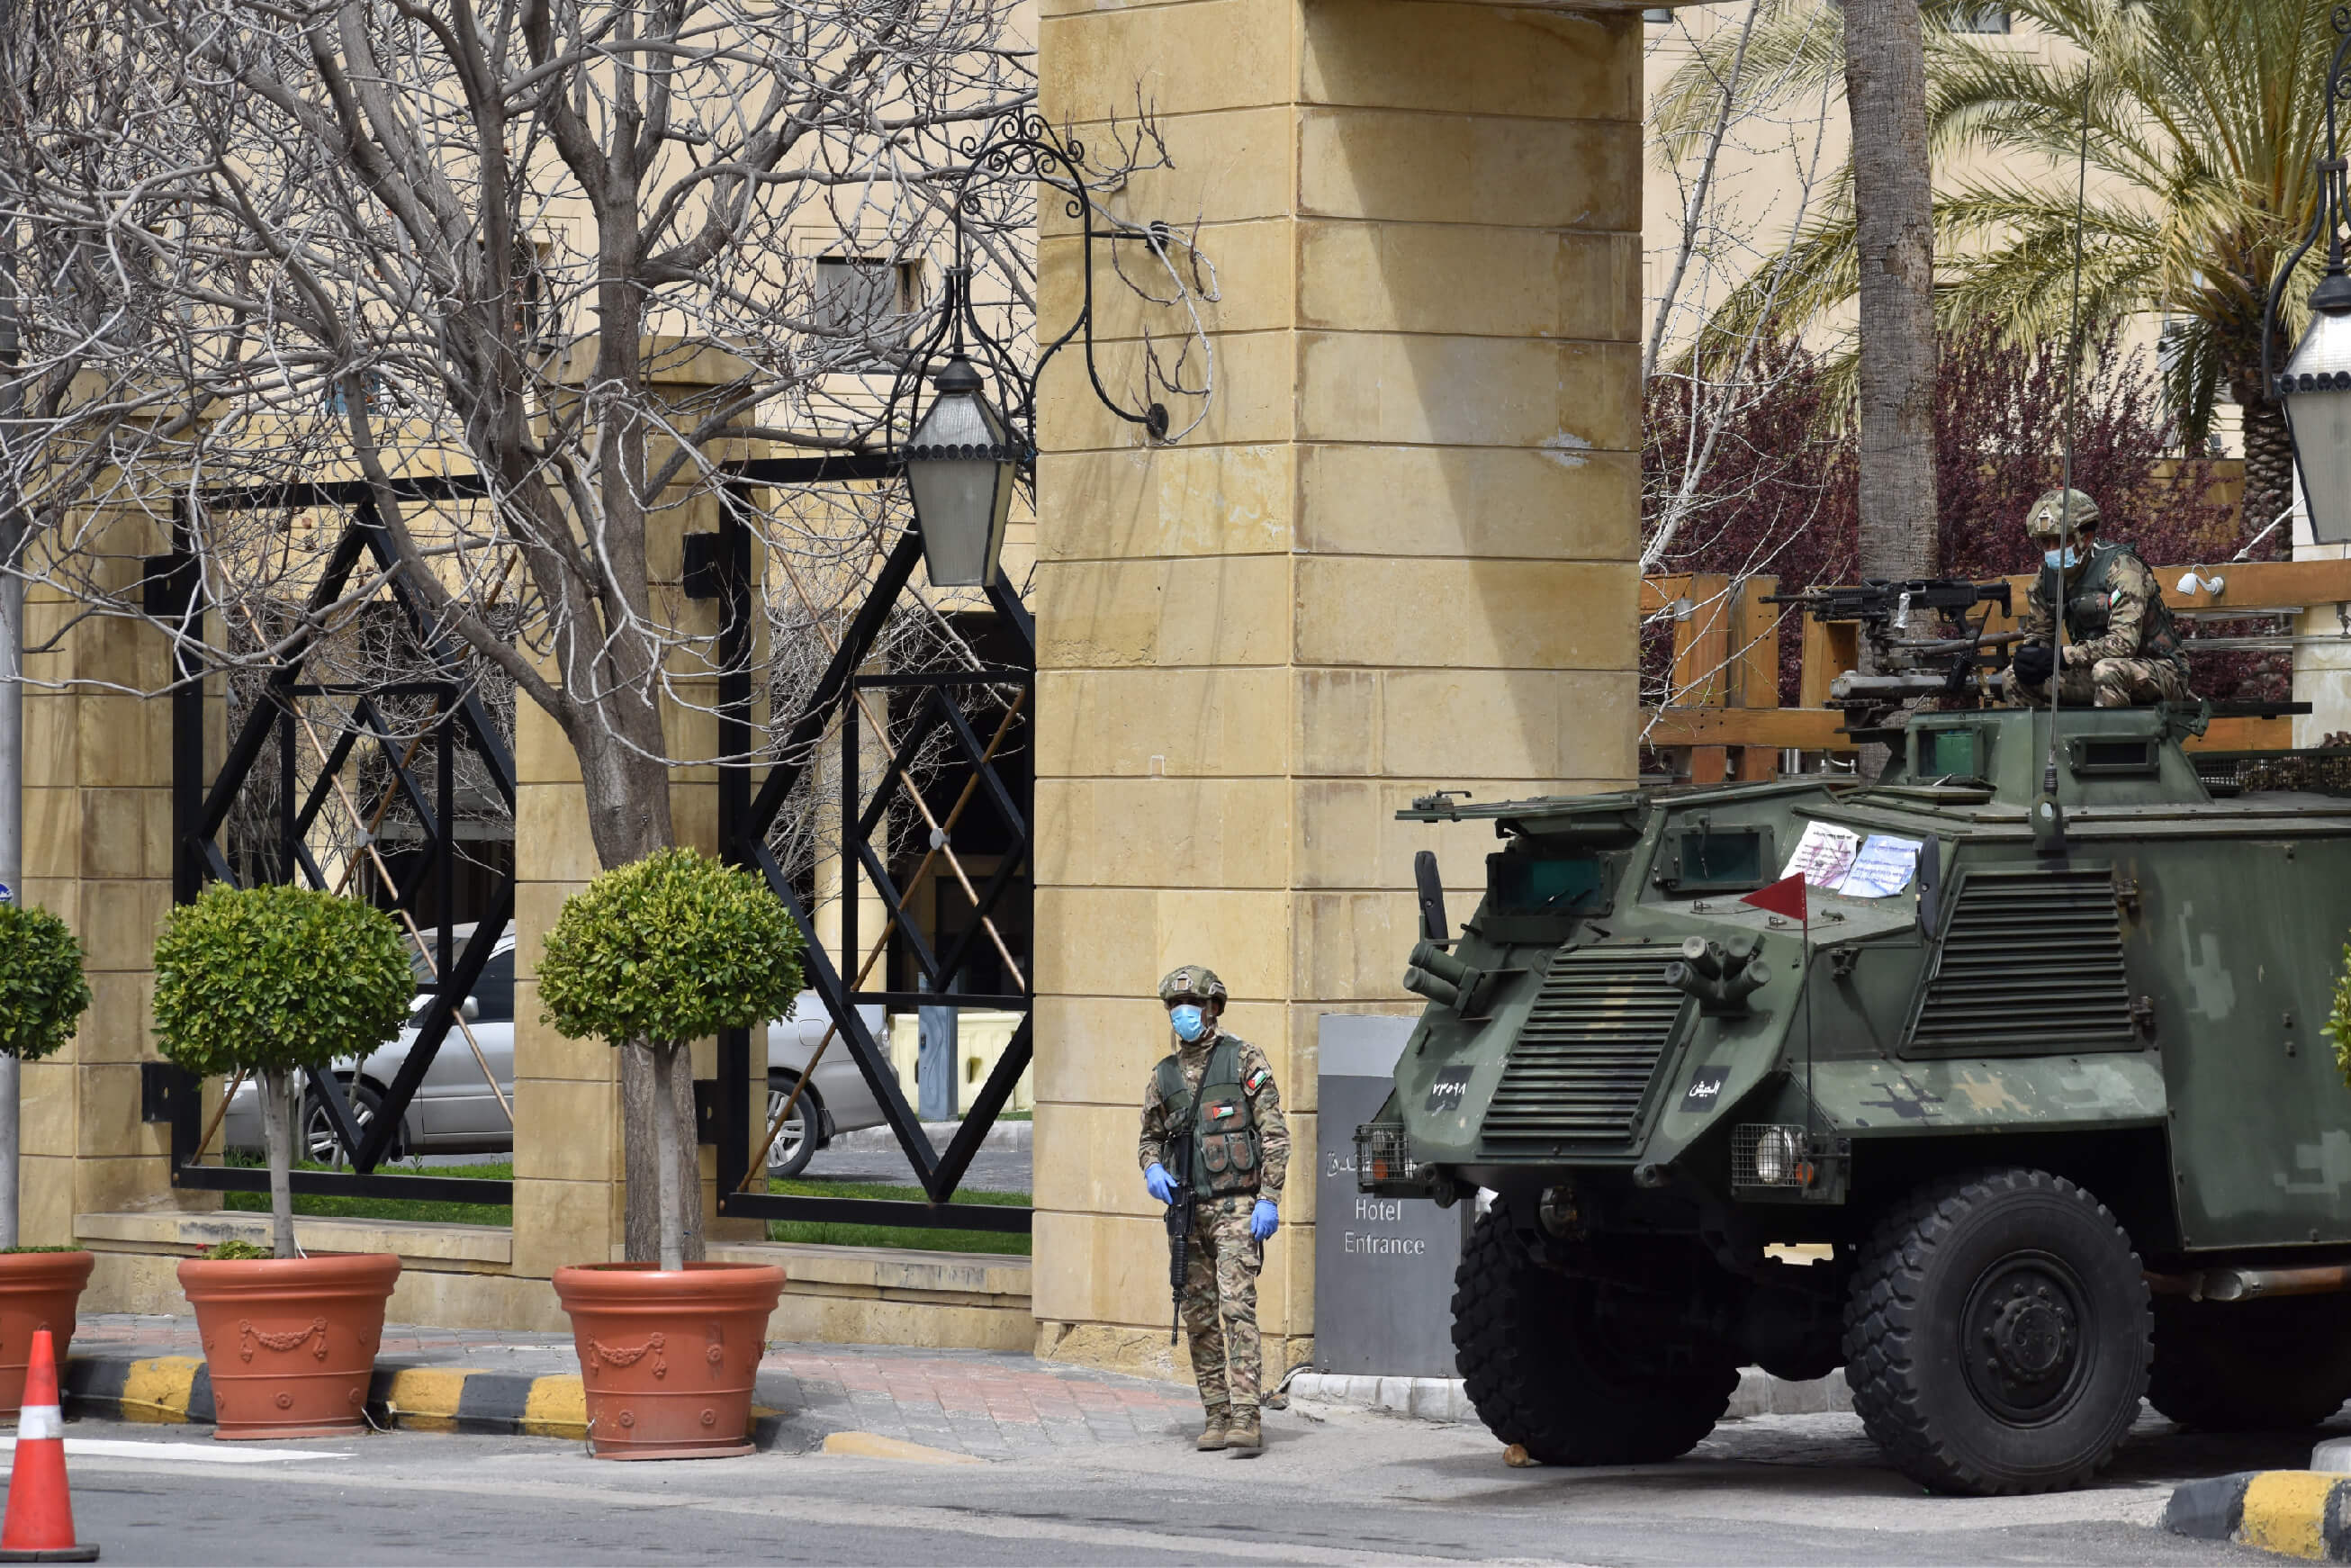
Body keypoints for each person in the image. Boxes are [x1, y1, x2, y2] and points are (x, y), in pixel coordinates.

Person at [1137, 964, 1289, 1456]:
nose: (1182, 1014)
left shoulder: (1243, 1059)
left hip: (1236, 1207)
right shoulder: (1163, 1076)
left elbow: (1274, 1134)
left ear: (1213, 1008)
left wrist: (1269, 1197)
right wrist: (1151, 1169)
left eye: (1192, 1006)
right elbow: (1149, 1138)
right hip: (1187, 1211)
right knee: (1199, 1314)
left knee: (1236, 1307)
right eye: (1174, 1008)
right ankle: (1216, 1413)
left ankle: (1247, 1416)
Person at [2006, 488, 2191, 708]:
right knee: (2014, 677)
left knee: (2107, 670)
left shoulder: (2122, 568)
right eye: (2045, 543)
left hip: (2160, 672)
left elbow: (2123, 644)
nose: (2051, 551)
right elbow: (2039, 634)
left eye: (2059, 541)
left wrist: (2061, 657)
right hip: (2094, 671)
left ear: (2086, 537)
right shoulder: (2047, 578)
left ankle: (2110, 743)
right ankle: (2044, 742)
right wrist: (2031, 654)